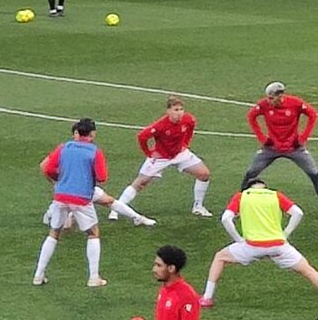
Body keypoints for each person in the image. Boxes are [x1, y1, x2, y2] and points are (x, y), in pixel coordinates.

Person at [200, 180, 318, 310]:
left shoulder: (242, 197)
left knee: (220, 257)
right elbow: (298, 213)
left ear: (249, 188)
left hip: (251, 246)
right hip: (278, 246)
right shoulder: (275, 195)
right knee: (308, 270)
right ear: (264, 187)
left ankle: (207, 298)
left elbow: (226, 219)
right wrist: (286, 233)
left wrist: (238, 239)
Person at [239, 81, 318, 221]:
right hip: (271, 148)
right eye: (267, 97)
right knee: (250, 173)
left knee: (314, 173)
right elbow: (251, 116)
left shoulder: (295, 103)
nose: (268, 101)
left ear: (280, 96)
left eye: (271, 98)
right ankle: (239, 207)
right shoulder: (264, 105)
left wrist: (303, 137)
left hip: (294, 148)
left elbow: (313, 114)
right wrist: (262, 138)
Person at [33, 118, 109, 288]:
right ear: (92, 133)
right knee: (93, 233)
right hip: (81, 198)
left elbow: (48, 168)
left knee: (54, 233)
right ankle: (93, 277)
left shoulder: (64, 147)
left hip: (60, 196)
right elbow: (102, 177)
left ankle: (38, 275)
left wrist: (61, 181)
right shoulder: (94, 151)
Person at [114, 96, 213, 218]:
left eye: (181, 109)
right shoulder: (161, 125)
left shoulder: (188, 119)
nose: (179, 113)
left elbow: (191, 128)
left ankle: (198, 207)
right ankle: (117, 208)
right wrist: (149, 153)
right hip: (161, 157)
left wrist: (185, 144)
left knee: (204, 174)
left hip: (180, 154)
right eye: (176, 110)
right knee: (140, 182)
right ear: (168, 111)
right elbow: (142, 137)